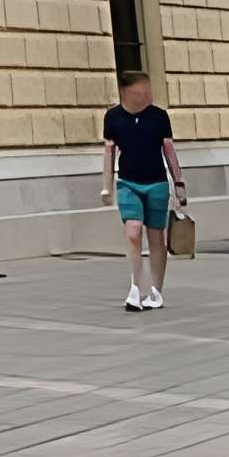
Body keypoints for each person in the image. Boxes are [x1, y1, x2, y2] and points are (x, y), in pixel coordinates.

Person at [98, 71, 184, 314]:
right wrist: (107, 185)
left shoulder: (158, 117)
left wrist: (179, 182)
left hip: (156, 183)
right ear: (126, 93)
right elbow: (109, 153)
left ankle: (155, 290)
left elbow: (168, 150)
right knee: (133, 232)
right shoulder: (113, 117)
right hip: (128, 183)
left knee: (156, 237)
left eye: (148, 90)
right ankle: (135, 287)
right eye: (140, 92)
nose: (146, 95)